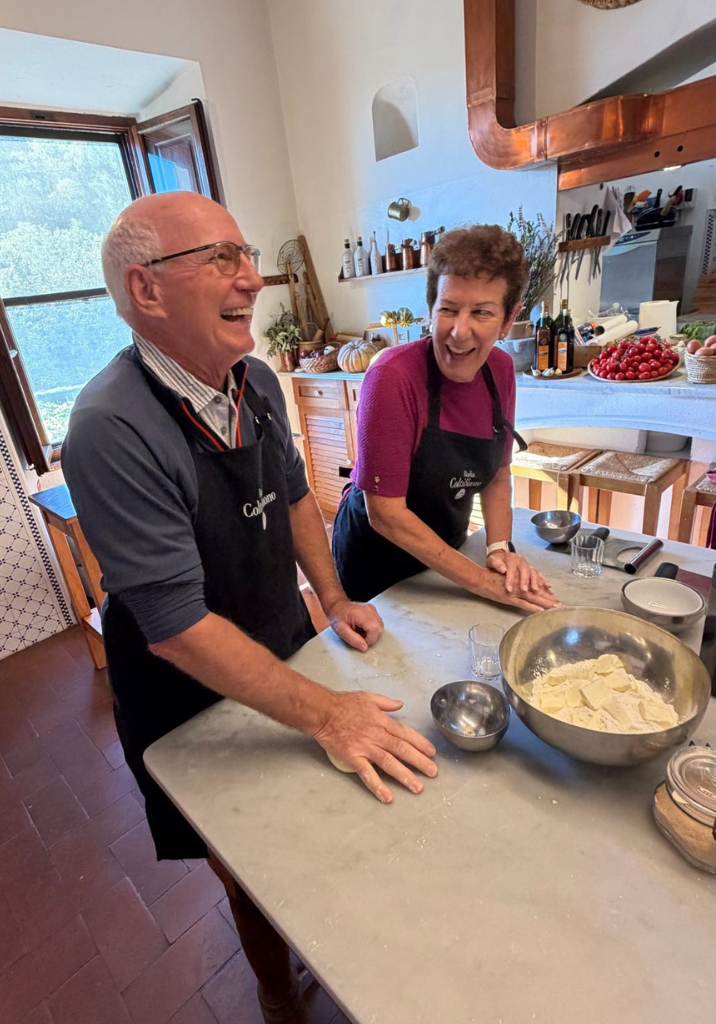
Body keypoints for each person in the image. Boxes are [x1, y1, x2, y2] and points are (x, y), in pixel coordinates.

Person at [62, 192, 438, 1024]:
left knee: (318, 822)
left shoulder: (255, 380)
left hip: (280, 634)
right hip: (186, 687)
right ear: (146, 290)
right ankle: (276, 991)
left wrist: (333, 598)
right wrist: (328, 715)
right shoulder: (108, 428)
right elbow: (177, 632)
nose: (254, 277)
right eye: (221, 258)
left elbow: (295, 495)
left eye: (246, 252)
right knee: (250, 860)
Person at [333, 225, 559, 613]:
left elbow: (498, 474)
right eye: (449, 309)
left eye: (482, 312)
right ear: (430, 307)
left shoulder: (501, 371)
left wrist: (499, 549)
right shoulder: (392, 377)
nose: (459, 331)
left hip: (446, 554)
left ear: (509, 319)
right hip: (377, 564)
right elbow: (385, 515)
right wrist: (482, 583)